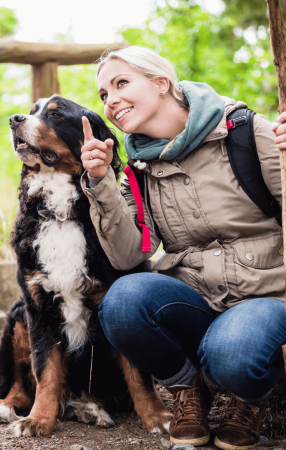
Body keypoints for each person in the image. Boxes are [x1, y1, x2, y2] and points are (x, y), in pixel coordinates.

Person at [79, 46, 286, 450]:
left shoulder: (246, 131)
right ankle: (188, 388)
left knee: (233, 357)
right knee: (121, 302)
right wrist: (101, 182)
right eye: (104, 94)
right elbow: (129, 255)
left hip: (265, 293)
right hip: (195, 296)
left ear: (161, 83)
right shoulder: (138, 169)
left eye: (122, 83)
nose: (111, 100)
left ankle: (249, 397)